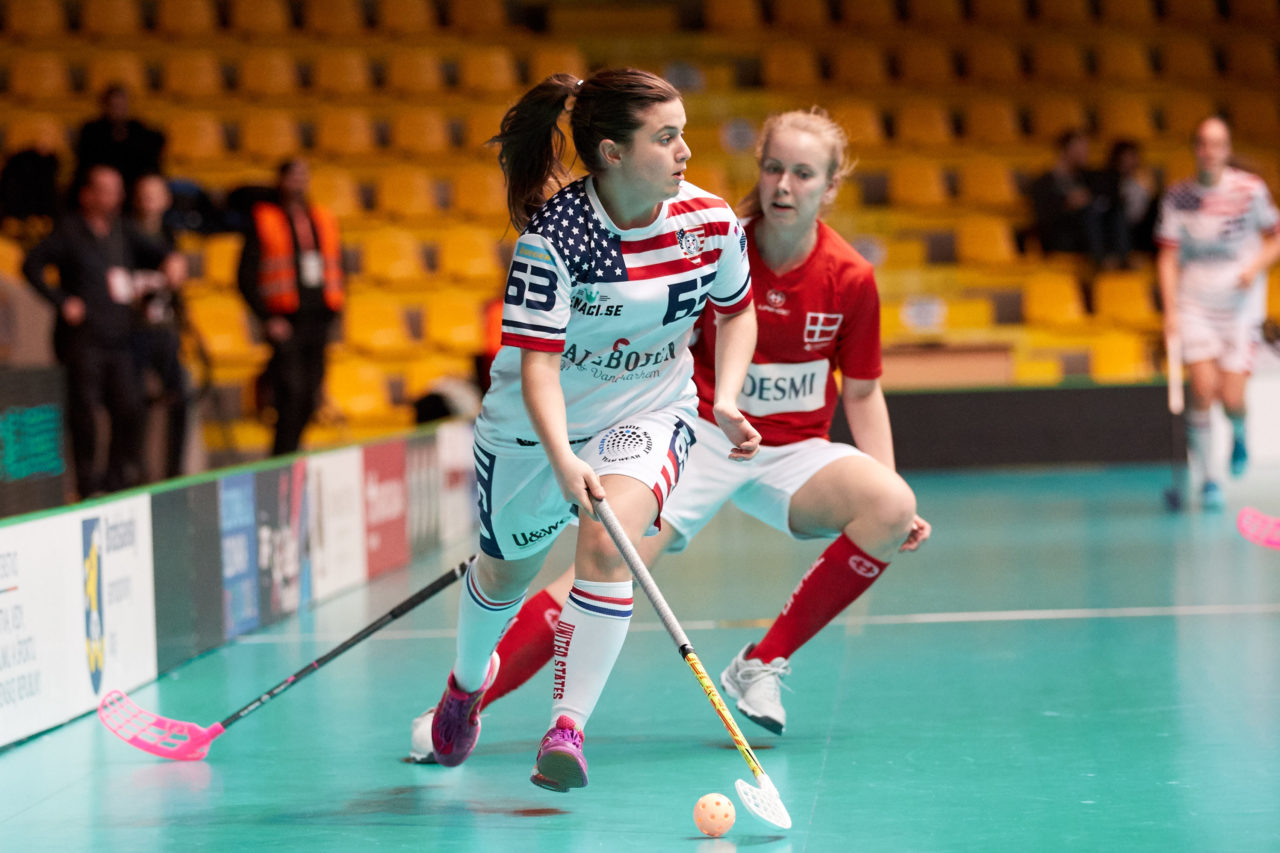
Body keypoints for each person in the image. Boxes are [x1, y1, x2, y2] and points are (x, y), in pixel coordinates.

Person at [412, 106, 931, 754]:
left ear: (829, 188)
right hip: (699, 435)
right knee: (600, 564)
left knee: (891, 505)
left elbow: (861, 390)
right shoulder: (708, 238)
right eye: (773, 168)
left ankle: (760, 663)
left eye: (803, 174)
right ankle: (459, 714)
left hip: (791, 451)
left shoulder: (850, 277)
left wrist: (884, 470)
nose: (783, 186)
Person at [413, 68, 760, 792]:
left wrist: (724, 395)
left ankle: (567, 726)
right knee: (504, 573)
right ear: (611, 152)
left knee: (608, 540)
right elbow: (536, 368)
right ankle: (466, 683)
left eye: (684, 134)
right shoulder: (556, 241)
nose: (685, 151)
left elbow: (737, 310)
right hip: (533, 432)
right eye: (666, 138)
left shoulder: (710, 222)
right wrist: (563, 456)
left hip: (650, 412)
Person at [22, 165, 183, 497]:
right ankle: (87, 485)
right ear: (88, 195)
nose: (115, 197)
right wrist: (61, 301)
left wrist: (173, 260)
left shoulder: (123, 230)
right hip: (83, 341)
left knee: (130, 408)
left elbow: (160, 252)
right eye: (107, 189)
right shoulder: (69, 231)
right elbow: (31, 265)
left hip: (120, 339)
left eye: (118, 189)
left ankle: (116, 481)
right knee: (85, 416)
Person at [1156, 117, 1280, 510]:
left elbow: (1276, 236)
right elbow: (1167, 257)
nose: (1210, 151)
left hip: (1240, 310)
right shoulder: (1178, 198)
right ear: (1196, 149)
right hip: (1195, 305)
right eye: (1203, 144)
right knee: (1203, 389)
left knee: (1231, 396)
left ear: (1227, 150)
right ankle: (1210, 480)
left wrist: (1255, 266)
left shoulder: (1250, 191)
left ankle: (1240, 432)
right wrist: (1170, 311)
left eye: (1218, 144)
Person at [237, 159, 344, 456]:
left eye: (303, 176)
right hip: (285, 322)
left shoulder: (322, 218)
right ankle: (281, 459)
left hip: (318, 322)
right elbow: (245, 276)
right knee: (290, 395)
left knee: (310, 397)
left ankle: (291, 454)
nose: (298, 182)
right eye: (292, 176)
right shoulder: (264, 219)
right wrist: (267, 317)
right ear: (280, 180)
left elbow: (336, 267)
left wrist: (336, 313)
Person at [129, 173, 190, 480]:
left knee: (180, 396)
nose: (149, 199)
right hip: (133, 333)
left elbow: (176, 287)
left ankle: (173, 470)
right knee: (134, 404)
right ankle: (134, 469)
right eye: (143, 193)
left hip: (164, 331)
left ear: (166, 199)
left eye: (156, 193)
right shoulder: (124, 234)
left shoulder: (170, 237)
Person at [1028, 130, 1128, 267]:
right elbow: (1044, 217)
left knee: (1112, 209)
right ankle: (1102, 262)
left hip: (1089, 234)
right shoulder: (1044, 182)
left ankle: (1121, 258)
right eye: (1079, 148)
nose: (1085, 152)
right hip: (1062, 235)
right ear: (1065, 151)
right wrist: (1067, 203)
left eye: (1086, 148)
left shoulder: (1087, 178)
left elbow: (1111, 191)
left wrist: (1088, 198)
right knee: (1090, 211)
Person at [74, 85, 165, 196]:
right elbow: (86, 160)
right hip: (101, 181)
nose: (117, 109)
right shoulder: (91, 129)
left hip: (132, 181)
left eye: (121, 104)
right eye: (113, 105)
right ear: (105, 105)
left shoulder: (138, 128)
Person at [1104, 140, 1158, 256]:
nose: (1130, 161)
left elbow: (1144, 213)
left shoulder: (1142, 181)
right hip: (1114, 230)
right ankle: (1121, 256)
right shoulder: (1108, 181)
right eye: (1126, 157)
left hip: (1140, 229)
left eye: (1133, 156)